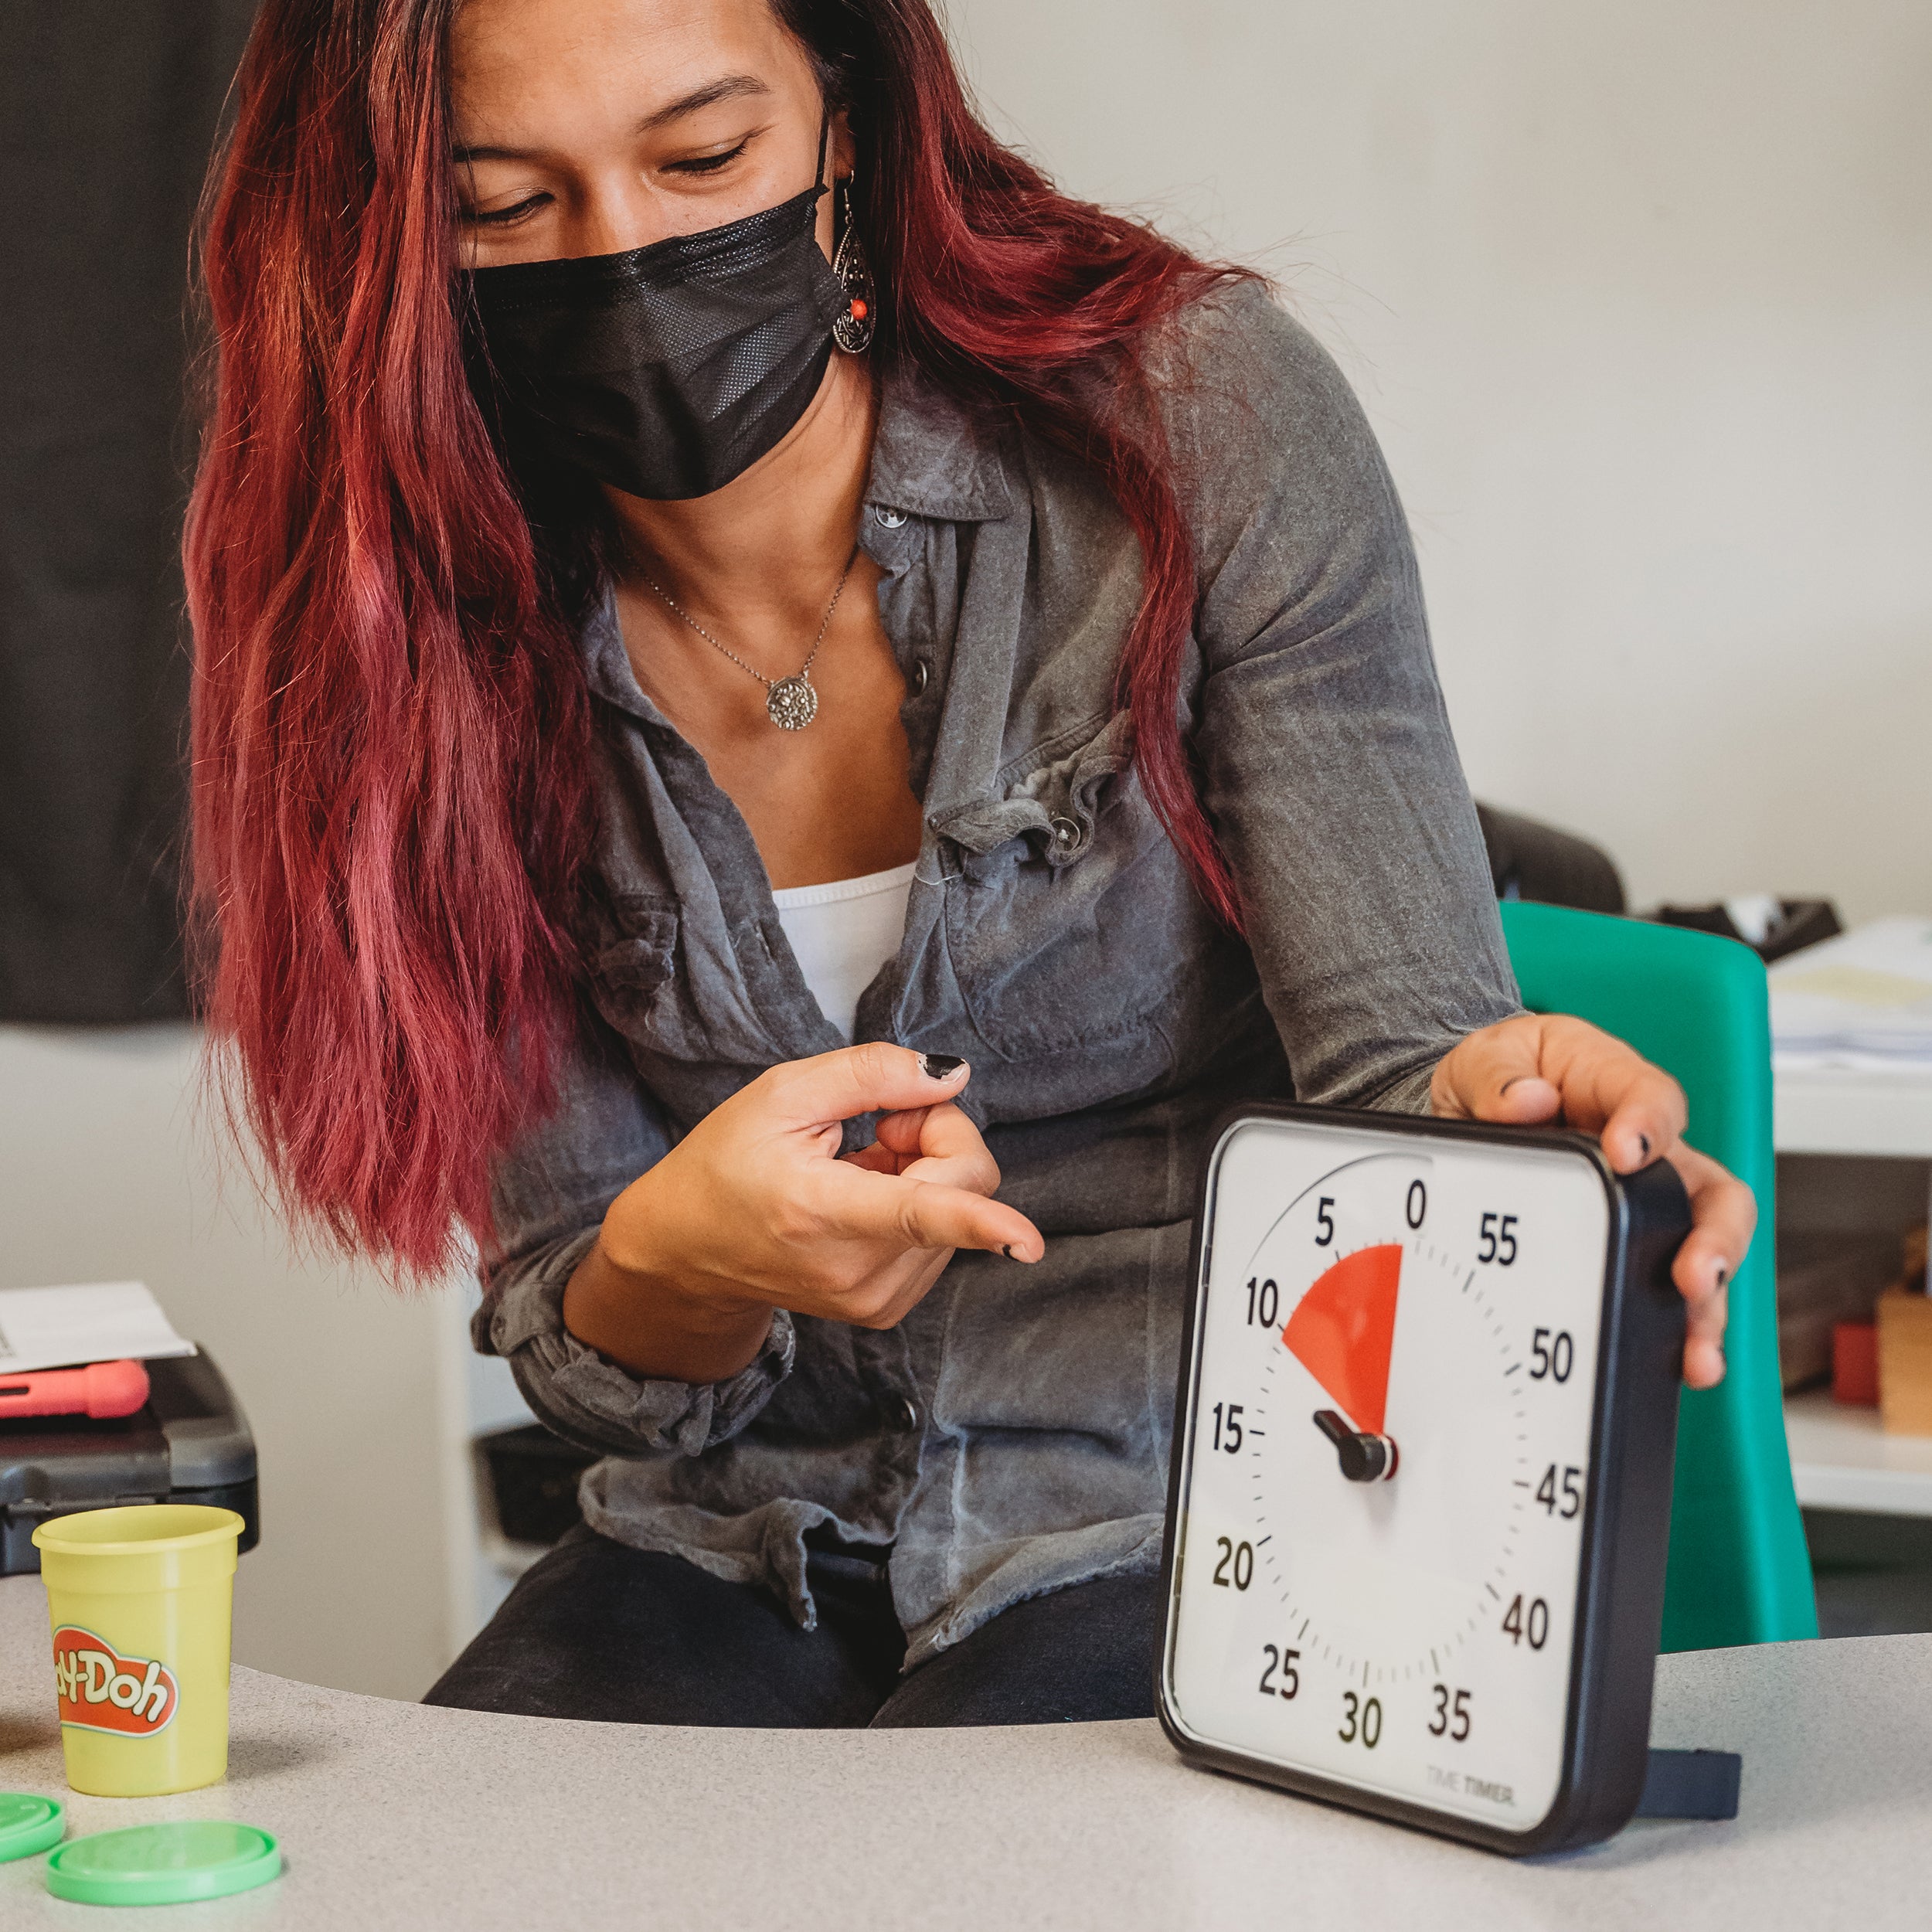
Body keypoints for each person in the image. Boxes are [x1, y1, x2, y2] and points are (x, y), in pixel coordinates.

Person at [185, 0, 1751, 1728]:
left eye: (702, 156)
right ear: (392, 240)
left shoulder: (1195, 429)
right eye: (501, 205)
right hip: (729, 1536)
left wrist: (1501, 1100)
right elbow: (603, 1357)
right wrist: (691, 1256)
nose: (625, 256)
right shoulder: (401, 626)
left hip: (1184, 1504)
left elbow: (1396, 1081)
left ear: (843, 125)